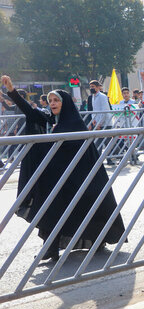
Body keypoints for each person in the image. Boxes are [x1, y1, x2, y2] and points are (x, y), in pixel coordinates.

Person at [1, 75, 126, 261]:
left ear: (64, 103)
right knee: (50, 208)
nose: (52, 103)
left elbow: (75, 151)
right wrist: (11, 91)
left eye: (56, 100)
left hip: (79, 179)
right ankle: (50, 247)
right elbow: (30, 112)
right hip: (55, 178)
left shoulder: (74, 123)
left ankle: (97, 239)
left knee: (86, 208)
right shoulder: (50, 121)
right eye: (50, 100)